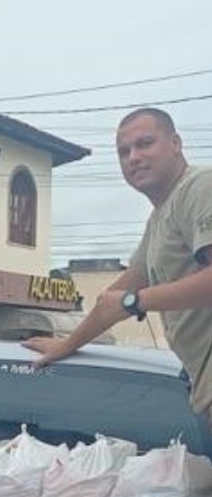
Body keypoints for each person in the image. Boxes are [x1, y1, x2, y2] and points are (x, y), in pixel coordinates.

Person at [25, 108, 212, 425]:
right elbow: (113, 298)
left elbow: (124, 299)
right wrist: (67, 344)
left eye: (145, 143)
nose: (134, 157)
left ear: (176, 143)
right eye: (124, 152)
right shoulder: (159, 220)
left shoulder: (200, 188)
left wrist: (134, 302)